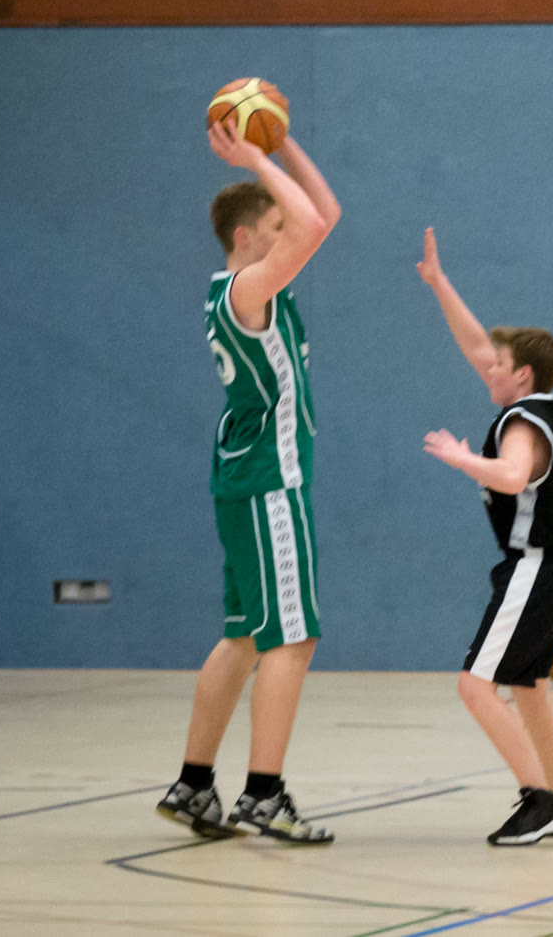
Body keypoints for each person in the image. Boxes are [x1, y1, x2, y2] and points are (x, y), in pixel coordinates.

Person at [156, 115, 341, 844]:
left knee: (242, 637)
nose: (288, 229)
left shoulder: (245, 288)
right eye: (273, 224)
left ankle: (194, 784)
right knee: (293, 639)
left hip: (243, 482)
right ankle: (264, 794)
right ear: (245, 237)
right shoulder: (247, 290)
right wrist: (257, 161)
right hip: (270, 482)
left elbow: (322, 214)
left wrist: (281, 140)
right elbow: (313, 225)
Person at [418, 228, 553, 847]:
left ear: (521, 374)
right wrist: (440, 284)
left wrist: (463, 458)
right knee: (528, 686)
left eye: (497, 365)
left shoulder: (522, 422)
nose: (484, 367)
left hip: (536, 566)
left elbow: (515, 474)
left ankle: (539, 801)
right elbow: (476, 343)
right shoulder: (542, 404)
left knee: (475, 686)